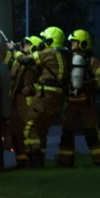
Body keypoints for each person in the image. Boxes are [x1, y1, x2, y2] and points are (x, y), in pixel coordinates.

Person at [0, 34, 42, 168]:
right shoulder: (18, 61)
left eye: (27, 44)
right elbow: (2, 55)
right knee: (16, 130)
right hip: (17, 100)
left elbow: (43, 82)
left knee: (28, 131)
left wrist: (31, 88)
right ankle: (21, 159)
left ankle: (34, 158)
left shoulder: (35, 63)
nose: (24, 45)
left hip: (28, 101)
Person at [56, 29, 100, 166]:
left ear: (84, 44)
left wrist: (90, 84)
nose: (72, 44)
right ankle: (64, 160)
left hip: (86, 101)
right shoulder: (67, 60)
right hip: (71, 102)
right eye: (72, 41)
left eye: (75, 41)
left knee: (91, 130)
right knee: (67, 131)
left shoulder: (91, 61)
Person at [19, 26, 67, 168]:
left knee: (30, 125)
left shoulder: (48, 53)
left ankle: (35, 156)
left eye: (45, 39)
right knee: (41, 129)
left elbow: (26, 60)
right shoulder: (62, 54)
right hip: (56, 95)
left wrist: (16, 52)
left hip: (46, 95)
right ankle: (39, 155)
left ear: (50, 40)